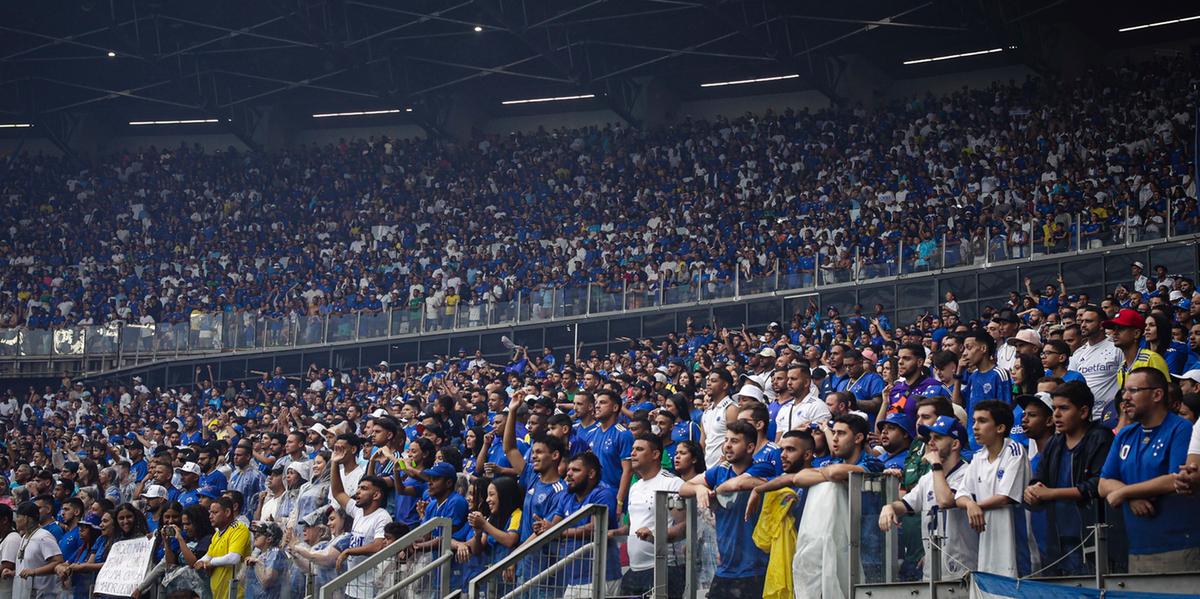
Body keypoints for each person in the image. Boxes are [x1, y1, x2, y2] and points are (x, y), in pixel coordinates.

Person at [1100, 367, 1200, 572]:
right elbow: (1103, 483)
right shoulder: (1125, 434)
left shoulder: (1180, 428)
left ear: (1157, 394)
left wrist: (1124, 492)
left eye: (1134, 390)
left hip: (1178, 546)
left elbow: (1176, 479)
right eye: (1124, 391)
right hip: (1136, 547)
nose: (1125, 398)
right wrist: (1130, 497)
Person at [1024, 381, 1114, 575]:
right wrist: (1031, 491)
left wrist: (1050, 494)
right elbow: (1039, 479)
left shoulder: (1100, 437)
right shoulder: (1054, 443)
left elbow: (1098, 484)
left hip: (1091, 537)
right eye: (1054, 408)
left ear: (1083, 412)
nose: (1056, 414)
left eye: (1064, 408)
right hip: (1057, 540)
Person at [679, 420, 772, 598]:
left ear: (750, 447)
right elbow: (684, 488)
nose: (727, 446)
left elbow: (739, 483)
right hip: (725, 569)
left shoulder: (763, 467)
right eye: (726, 440)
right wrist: (698, 488)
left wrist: (716, 490)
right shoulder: (720, 471)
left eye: (734, 441)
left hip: (756, 569)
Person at [879, 415, 977, 580]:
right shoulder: (928, 478)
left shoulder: (968, 473)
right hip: (931, 572)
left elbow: (946, 500)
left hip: (963, 572)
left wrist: (936, 464)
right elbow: (905, 505)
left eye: (938, 438)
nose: (930, 443)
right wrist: (888, 507)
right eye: (930, 438)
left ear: (955, 444)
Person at [954, 400, 1039, 577]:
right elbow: (961, 495)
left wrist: (975, 505)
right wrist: (971, 505)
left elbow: (1005, 496)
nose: (975, 427)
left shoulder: (1015, 451)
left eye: (982, 421)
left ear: (1000, 428)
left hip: (1015, 543)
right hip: (987, 544)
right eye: (974, 421)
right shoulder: (978, 456)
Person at [545, 452, 621, 598]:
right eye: (568, 470)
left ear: (591, 473)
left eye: (576, 470)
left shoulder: (603, 494)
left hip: (600, 577)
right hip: (572, 579)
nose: (568, 474)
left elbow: (593, 529)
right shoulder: (567, 496)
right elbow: (554, 526)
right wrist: (544, 528)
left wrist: (558, 532)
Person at [620, 435, 685, 598]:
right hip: (634, 570)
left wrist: (656, 534)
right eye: (632, 449)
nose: (632, 453)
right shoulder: (635, 487)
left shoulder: (671, 484)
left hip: (664, 569)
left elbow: (683, 525)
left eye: (639, 449)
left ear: (656, 455)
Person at [329, 441, 392, 599]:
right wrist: (335, 463)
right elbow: (337, 492)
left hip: (370, 591)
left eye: (363, 489)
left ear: (376, 495)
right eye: (358, 488)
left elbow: (378, 546)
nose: (357, 492)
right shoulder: (358, 511)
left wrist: (349, 551)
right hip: (353, 588)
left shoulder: (382, 516)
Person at [960, 330, 1013, 450]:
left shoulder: (999, 374)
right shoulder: (973, 376)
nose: (964, 353)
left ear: (983, 348)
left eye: (969, 348)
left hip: (993, 443)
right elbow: (959, 404)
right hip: (972, 441)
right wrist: (958, 374)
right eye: (964, 349)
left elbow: (1006, 411)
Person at [1069, 306, 1123, 423]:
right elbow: (1071, 385)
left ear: (1101, 324)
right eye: (1082, 321)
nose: (1083, 325)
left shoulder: (1116, 348)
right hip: (1085, 418)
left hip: (1112, 416)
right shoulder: (1078, 353)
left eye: (1088, 321)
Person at [195, 497, 251, 599]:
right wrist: (200, 561)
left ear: (227, 512)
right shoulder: (217, 533)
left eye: (215, 512)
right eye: (210, 513)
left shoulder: (239, 529)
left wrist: (210, 563)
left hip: (235, 593)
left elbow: (234, 558)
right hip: (219, 592)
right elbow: (210, 554)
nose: (210, 516)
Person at [5, 501, 64, 599]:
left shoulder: (44, 536)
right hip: (23, 592)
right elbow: (28, 565)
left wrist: (35, 571)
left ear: (27, 518)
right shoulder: (24, 537)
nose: (16, 520)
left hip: (41, 594)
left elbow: (58, 561)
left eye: (18, 517)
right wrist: (13, 572)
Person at [590, 390, 634, 509]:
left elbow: (628, 470)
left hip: (614, 496)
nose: (597, 406)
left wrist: (619, 501)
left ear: (615, 407)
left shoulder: (623, 435)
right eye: (596, 403)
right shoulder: (594, 432)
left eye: (603, 402)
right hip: (594, 494)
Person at [244, 522, 287, 599]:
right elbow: (243, 582)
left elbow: (267, 581)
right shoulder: (259, 554)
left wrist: (257, 562)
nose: (255, 536)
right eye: (254, 534)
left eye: (258, 534)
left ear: (269, 538)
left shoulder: (275, 552)